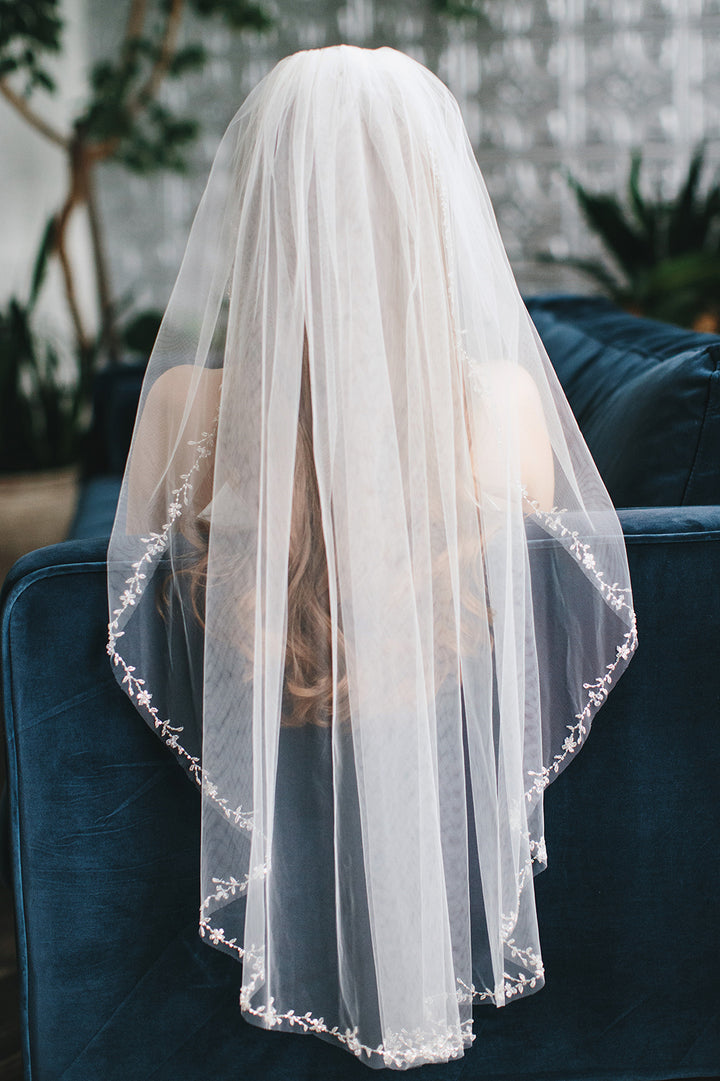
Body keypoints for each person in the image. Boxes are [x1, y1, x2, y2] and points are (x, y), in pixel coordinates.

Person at [107, 45, 637, 1071]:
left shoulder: (181, 409)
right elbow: (535, 616)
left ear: (264, 211)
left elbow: (122, 598)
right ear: (438, 207)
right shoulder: (505, 406)